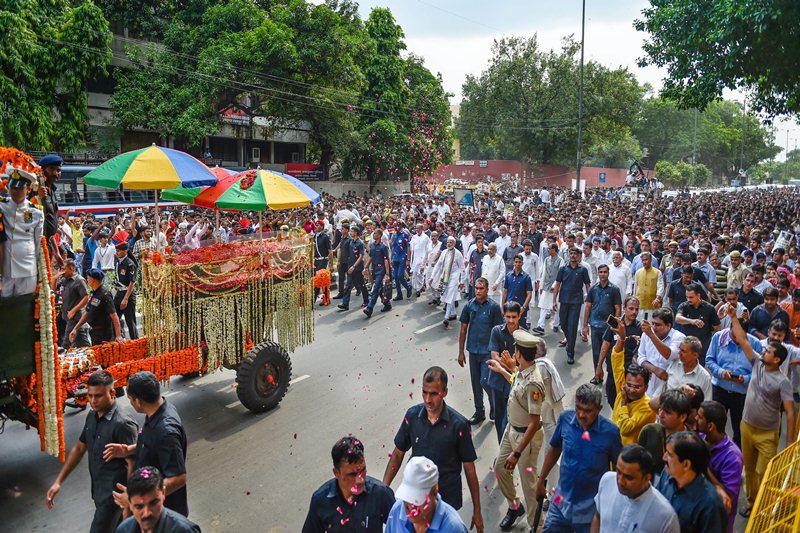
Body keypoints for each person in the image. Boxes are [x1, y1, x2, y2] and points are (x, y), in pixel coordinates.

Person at [384, 367, 483, 532]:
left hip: (445, 498)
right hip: (415, 493)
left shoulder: (458, 425)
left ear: (445, 392)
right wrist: (384, 489)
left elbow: (469, 468)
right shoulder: (412, 416)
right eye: (425, 392)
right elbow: (397, 455)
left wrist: (477, 510)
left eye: (434, 394)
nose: (428, 399)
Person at [46, 371, 138, 533]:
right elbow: (80, 447)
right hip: (98, 493)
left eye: (98, 396)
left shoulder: (123, 423)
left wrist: (129, 499)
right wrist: (58, 481)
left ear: (112, 393)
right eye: (90, 396)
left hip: (114, 499)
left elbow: (134, 463)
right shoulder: (92, 416)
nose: (93, 401)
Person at [728, 307, 796, 517]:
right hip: (747, 426)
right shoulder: (757, 363)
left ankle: (764, 506)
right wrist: (733, 317)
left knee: (762, 472)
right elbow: (742, 338)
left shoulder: (783, 382)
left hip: (767, 434)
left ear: (776, 360)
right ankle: (752, 503)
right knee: (749, 470)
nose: (763, 351)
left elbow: (790, 413)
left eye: (768, 351)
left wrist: (790, 443)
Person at [536, 384, 623, 533]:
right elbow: (555, 448)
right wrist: (541, 479)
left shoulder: (611, 433)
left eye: (588, 411)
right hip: (560, 503)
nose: (581, 414)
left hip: (591, 511)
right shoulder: (565, 419)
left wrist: (613, 504)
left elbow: (618, 470)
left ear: (599, 409)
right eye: (578, 408)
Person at [104, 371, 189, 517]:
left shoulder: (166, 432)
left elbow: (179, 478)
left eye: (130, 399)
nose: (130, 403)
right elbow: (151, 444)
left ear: (138, 401)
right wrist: (127, 450)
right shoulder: (158, 410)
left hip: (165, 512)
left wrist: (137, 498)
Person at [488, 329, 546, 531]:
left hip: (525, 439)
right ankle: (515, 506)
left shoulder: (534, 383)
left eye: (515, 350)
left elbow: (535, 422)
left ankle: (537, 525)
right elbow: (515, 381)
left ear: (519, 354)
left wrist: (517, 451)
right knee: (501, 469)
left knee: (530, 486)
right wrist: (501, 370)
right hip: (511, 430)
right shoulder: (522, 371)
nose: (513, 352)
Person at [302, 436, 395, 532]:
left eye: (362, 470)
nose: (360, 480)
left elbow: (402, 526)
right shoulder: (321, 500)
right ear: (336, 473)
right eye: (352, 474)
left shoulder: (380, 494)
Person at [591, 444, 680, 533]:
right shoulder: (607, 481)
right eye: (618, 472)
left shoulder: (665, 516)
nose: (620, 481)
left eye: (628, 477)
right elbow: (598, 517)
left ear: (646, 478)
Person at [655, 431, 726, 533]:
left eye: (669, 455)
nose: (664, 457)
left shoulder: (710, 506)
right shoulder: (666, 474)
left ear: (686, 464)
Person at [458, 277, 503, 425]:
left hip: (487, 352)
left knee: (485, 381)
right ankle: (479, 411)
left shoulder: (494, 308)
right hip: (473, 350)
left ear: (487, 289)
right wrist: (461, 352)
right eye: (476, 288)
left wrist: (498, 354)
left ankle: (495, 405)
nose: (477, 291)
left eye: (481, 288)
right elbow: (463, 329)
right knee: (475, 383)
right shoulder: (469, 306)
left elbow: (498, 332)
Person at [385, 457, 469, 533]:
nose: (411, 506)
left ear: (435, 492)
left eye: (417, 499)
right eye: (407, 496)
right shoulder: (397, 511)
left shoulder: (453, 528)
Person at [696, 401, 744, 533]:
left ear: (710, 426)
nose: (695, 418)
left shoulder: (733, 457)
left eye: (700, 417)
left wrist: (703, 466)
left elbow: (727, 495)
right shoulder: (701, 438)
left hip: (719, 519)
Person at [609, 318, 656, 445]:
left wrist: (624, 403)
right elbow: (616, 359)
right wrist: (622, 338)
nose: (631, 389)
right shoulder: (623, 388)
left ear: (646, 388)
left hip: (630, 458)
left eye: (637, 387)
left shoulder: (647, 407)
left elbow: (625, 428)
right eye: (629, 385)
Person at [0, 167, 43, 297]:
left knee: (24, 306)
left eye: (19, 188)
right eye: (12, 187)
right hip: (6, 267)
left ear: (28, 189)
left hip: (27, 267)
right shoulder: (2, 205)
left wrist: (37, 268)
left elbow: (38, 241)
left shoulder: (36, 212)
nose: (15, 191)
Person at [115, 467, 200, 533]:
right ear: (129, 503)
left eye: (153, 503)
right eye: (139, 507)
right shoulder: (124, 529)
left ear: (163, 493)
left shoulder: (184, 530)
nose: (147, 513)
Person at [595, 297, 643, 407]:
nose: (634, 312)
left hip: (629, 376)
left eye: (636, 309)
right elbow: (605, 345)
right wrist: (599, 367)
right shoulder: (615, 325)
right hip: (613, 372)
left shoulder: (640, 329)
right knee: (612, 400)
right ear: (624, 308)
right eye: (631, 308)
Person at [636, 389, 691, 483]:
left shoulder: (692, 443)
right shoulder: (649, 431)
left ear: (682, 417)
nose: (661, 415)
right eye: (660, 409)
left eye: (667, 412)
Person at [486, 301, 521, 442]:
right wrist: (511, 365)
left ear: (520, 316)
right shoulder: (496, 331)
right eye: (508, 317)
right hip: (498, 383)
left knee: (513, 420)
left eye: (514, 317)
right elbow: (494, 357)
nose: (511, 320)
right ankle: (502, 449)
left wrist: (508, 365)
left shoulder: (524, 336)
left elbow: (525, 362)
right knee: (500, 418)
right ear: (503, 316)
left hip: (516, 383)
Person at [553, 247, 592, 365]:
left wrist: (590, 299)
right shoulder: (563, 269)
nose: (573, 255)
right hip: (564, 300)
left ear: (579, 256)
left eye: (575, 254)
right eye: (571, 253)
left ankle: (570, 353)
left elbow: (588, 285)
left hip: (576, 301)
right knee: (564, 324)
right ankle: (569, 340)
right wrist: (554, 300)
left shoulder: (583, 270)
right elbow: (558, 284)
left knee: (573, 326)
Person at [635, 308, 685, 398]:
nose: (654, 328)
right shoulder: (646, 335)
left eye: (658, 325)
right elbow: (640, 357)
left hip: (669, 387)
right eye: (653, 323)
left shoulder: (679, 337)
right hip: (648, 384)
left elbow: (669, 355)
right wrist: (654, 370)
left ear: (668, 326)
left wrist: (651, 335)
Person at [649, 336, 713, 406]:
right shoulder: (673, 365)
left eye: (683, 351)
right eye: (680, 349)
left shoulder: (705, 377)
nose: (679, 353)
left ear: (695, 355)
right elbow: (662, 389)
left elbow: (706, 404)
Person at [68, 269, 124, 346]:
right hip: (95, 333)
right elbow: (87, 313)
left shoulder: (105, 294)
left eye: (88, 277)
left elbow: (114, 316)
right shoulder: (94, 293)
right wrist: (75, 328)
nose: (87, 279)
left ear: (93, 279)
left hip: (105, 333)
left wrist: (118, 335)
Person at [583, 264, 623, 372]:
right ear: (598, 273)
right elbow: (587, 307)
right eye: (600, 272)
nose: (603, 274)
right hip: (595, 325)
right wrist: (585, 325)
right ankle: (597, 375)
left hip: (608, 327)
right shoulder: (593, 289)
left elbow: (618, 308)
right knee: (596, 353)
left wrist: (616, 326)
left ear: (608, 273)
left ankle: (610, 375)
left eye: (605, 272)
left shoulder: (614, 289)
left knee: (609, 353)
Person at [675, 283, 721, 364]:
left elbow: (717, 328)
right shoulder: (684, 306)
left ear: (698, 296)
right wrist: (692, 321)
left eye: (691, 297)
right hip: (686, 349)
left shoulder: (709, 308)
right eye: (687, 297)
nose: (688, 299)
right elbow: (678, 318)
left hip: (701, 350)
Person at [429, 236, 465, 329]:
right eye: (447, 242)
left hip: (454, 277)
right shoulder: (444, 252)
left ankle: (446, 317)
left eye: (450, 242)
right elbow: (438, 265)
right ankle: (453, 313)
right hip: (445, 277)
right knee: (447, 294)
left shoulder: (458, 254)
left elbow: (462, 268)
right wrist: (432, 276)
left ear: (454, 244)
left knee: (449, 296)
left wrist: (462, 281)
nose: (448, 244)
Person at [58, 259, 91, 348]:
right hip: (67, 316)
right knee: (82, 341)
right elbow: (53, 290)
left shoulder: (79, 280)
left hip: (75, 316)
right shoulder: (64, 280)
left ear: (71, 268)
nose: (62, 271)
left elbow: (86, 297)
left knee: (66, 343)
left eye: (64, 269)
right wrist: (55, 277)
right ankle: (91, 355)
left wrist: (73, 310)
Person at [535, 242, 564, 334]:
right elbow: (543, 273)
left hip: (556, 287)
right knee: (543, 306)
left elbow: (560, 275)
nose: (548, 250)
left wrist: (555, 285)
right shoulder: (547, 259)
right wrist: (541, 285)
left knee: (556, 307)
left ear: (554, 250)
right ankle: (540, 326)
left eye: (550, 248)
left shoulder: (560, 260)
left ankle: (556, 324)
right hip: (546, 286)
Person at [362, 228, 392, 318]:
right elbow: (370, 257)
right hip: (374, 270)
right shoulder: (373, 246)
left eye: (375, 233)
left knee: (375, 289)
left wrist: (387, 274)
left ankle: (370, 308)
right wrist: (366, 267)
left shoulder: (383, 247)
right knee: (379, 289)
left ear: (379, 235)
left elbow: (386, 260)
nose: (373, 235)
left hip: (381, 270)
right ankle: (387, 304)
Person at [337, 226, 368, 311]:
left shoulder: (360, 243)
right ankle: (345, 303)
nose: (351, 232)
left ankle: (366, 300)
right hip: (350, 267)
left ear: (356, 233)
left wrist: (354, 266)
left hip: (357, 268)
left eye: (352, 231)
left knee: (362, 285)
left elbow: (361, 256)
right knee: (348, 285)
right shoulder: (350, 242)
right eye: (350, 231)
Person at [113, 242, 138, 340]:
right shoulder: (118, 261)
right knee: (114, 317)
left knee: (130, 321)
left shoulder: (130, 264)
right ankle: (119, 337)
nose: (117, 252)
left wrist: (126, 299)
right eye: (116, 250)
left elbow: (132, 282)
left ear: (125, 251)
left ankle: (135, 341)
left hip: (128, 294)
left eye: (119, 251)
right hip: (119, 293)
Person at [502, 254, 534, 328]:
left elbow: (529, 294)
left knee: (521, 329)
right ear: (513, 263)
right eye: (516, 262)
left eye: (519, 262)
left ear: (522, 263)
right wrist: (503, 307)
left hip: (521, 308)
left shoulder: (526, 277)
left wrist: (524, 307)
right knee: (508, 328)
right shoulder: (508, 276)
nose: (518, 264)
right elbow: (505, 292)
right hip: (509, 306)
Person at [634, 252, 664, 322]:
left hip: (652, 305)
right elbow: (635, 288)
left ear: (650, 260)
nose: (644, 262)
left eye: (646, 260)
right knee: (639, 325)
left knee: (651, 326)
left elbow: (660, 287)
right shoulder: (638, 272)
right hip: (640, 304)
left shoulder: (657, 272)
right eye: (643, 260)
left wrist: (657, 299)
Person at [390, 222, 413, 301]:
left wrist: (408, 259)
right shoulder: (394, 235)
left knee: (400, 275)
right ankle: (399, 294)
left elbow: (408, 247)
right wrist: (391, 258)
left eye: (397, 226)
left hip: (402, 257)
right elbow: (392, 246)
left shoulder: (405, 235)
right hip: (395, 258)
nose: (396, 227)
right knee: (395, 277)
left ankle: (408, 287)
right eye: (395, 226)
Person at [410, 223, 432, 296]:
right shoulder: (414, 237)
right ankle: (418, 287)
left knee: (420, 274)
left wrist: (427, 259)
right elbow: (411, 247)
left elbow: (429, 247)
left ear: (422, 229)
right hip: (415, 257)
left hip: (422, 258)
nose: (417, 230)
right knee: (415, 274)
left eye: (418, 228)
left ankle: (419, 288)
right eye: (416, 228)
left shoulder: (425, 237)